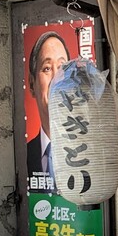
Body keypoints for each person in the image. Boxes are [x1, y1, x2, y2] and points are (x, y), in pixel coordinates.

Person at [25, 31, 72, 191]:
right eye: (46, 69)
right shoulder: (26, 154)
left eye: (62, 67)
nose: (56, 78)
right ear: (32, 84)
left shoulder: (86, 150)